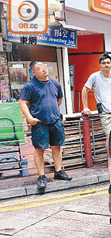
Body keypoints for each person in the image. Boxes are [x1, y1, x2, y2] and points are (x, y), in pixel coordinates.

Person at [19, 61, 72, 190]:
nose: (44, 70)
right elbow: (22, 103)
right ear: (33, 71)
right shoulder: (29, 86)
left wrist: (52, 111)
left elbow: (59, 99)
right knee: (40, 149)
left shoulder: (55, 84)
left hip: (55, 121)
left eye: (45, 67)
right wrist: (30, 118)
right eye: (39, 68)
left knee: (57, 146)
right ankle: (42, 176)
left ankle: (58, 171)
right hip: (40, 123)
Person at [82, 54, 111, 156]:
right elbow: (85, 89)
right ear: (100, 65)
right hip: (105, 112)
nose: (106, 65)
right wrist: (85, 107)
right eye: (103, 63)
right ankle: (110, 159)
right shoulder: (94, 76)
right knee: (109, 136)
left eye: (108, 63)